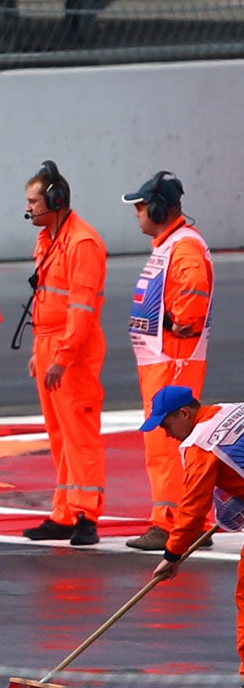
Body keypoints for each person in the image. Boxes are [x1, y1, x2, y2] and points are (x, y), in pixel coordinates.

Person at [19, 161, 108, 545]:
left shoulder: (81, 243)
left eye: (34, 201)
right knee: (59, 434)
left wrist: (62, 357)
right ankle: (65, 512)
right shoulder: (49, 238)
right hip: (49, 341)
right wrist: (42, 351)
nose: (29, 209)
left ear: (54, 200)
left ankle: (87, 514)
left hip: (74, 347)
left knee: (80, 431)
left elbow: (82, 309)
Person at [124, 172, 212, 550]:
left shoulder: (184, 246)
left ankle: (173, 523)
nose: (137, 214)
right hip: (162, 360)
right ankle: (177, 519)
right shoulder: (171, 244)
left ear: (159, 207)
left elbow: (193, 292)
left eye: (141, 206)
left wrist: (179, 323)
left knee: (166, 445)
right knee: (162, 446)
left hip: (173, 359)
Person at [146, 387, 244, 688]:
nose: (167, 434)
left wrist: (172, 556)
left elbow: (192, 508)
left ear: (185, 414)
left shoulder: (200, 444)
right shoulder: (233, 410)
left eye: (167, 425)